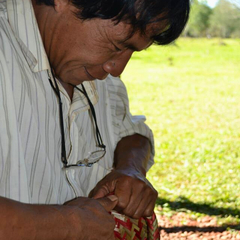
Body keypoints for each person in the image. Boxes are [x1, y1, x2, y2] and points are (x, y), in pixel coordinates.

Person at [0, 0, 189, 239]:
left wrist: (130, 168)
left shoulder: (97, 72)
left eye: (133, 52)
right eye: (117, 45)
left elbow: (130, 132)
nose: (117, 68)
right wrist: (68, 225)